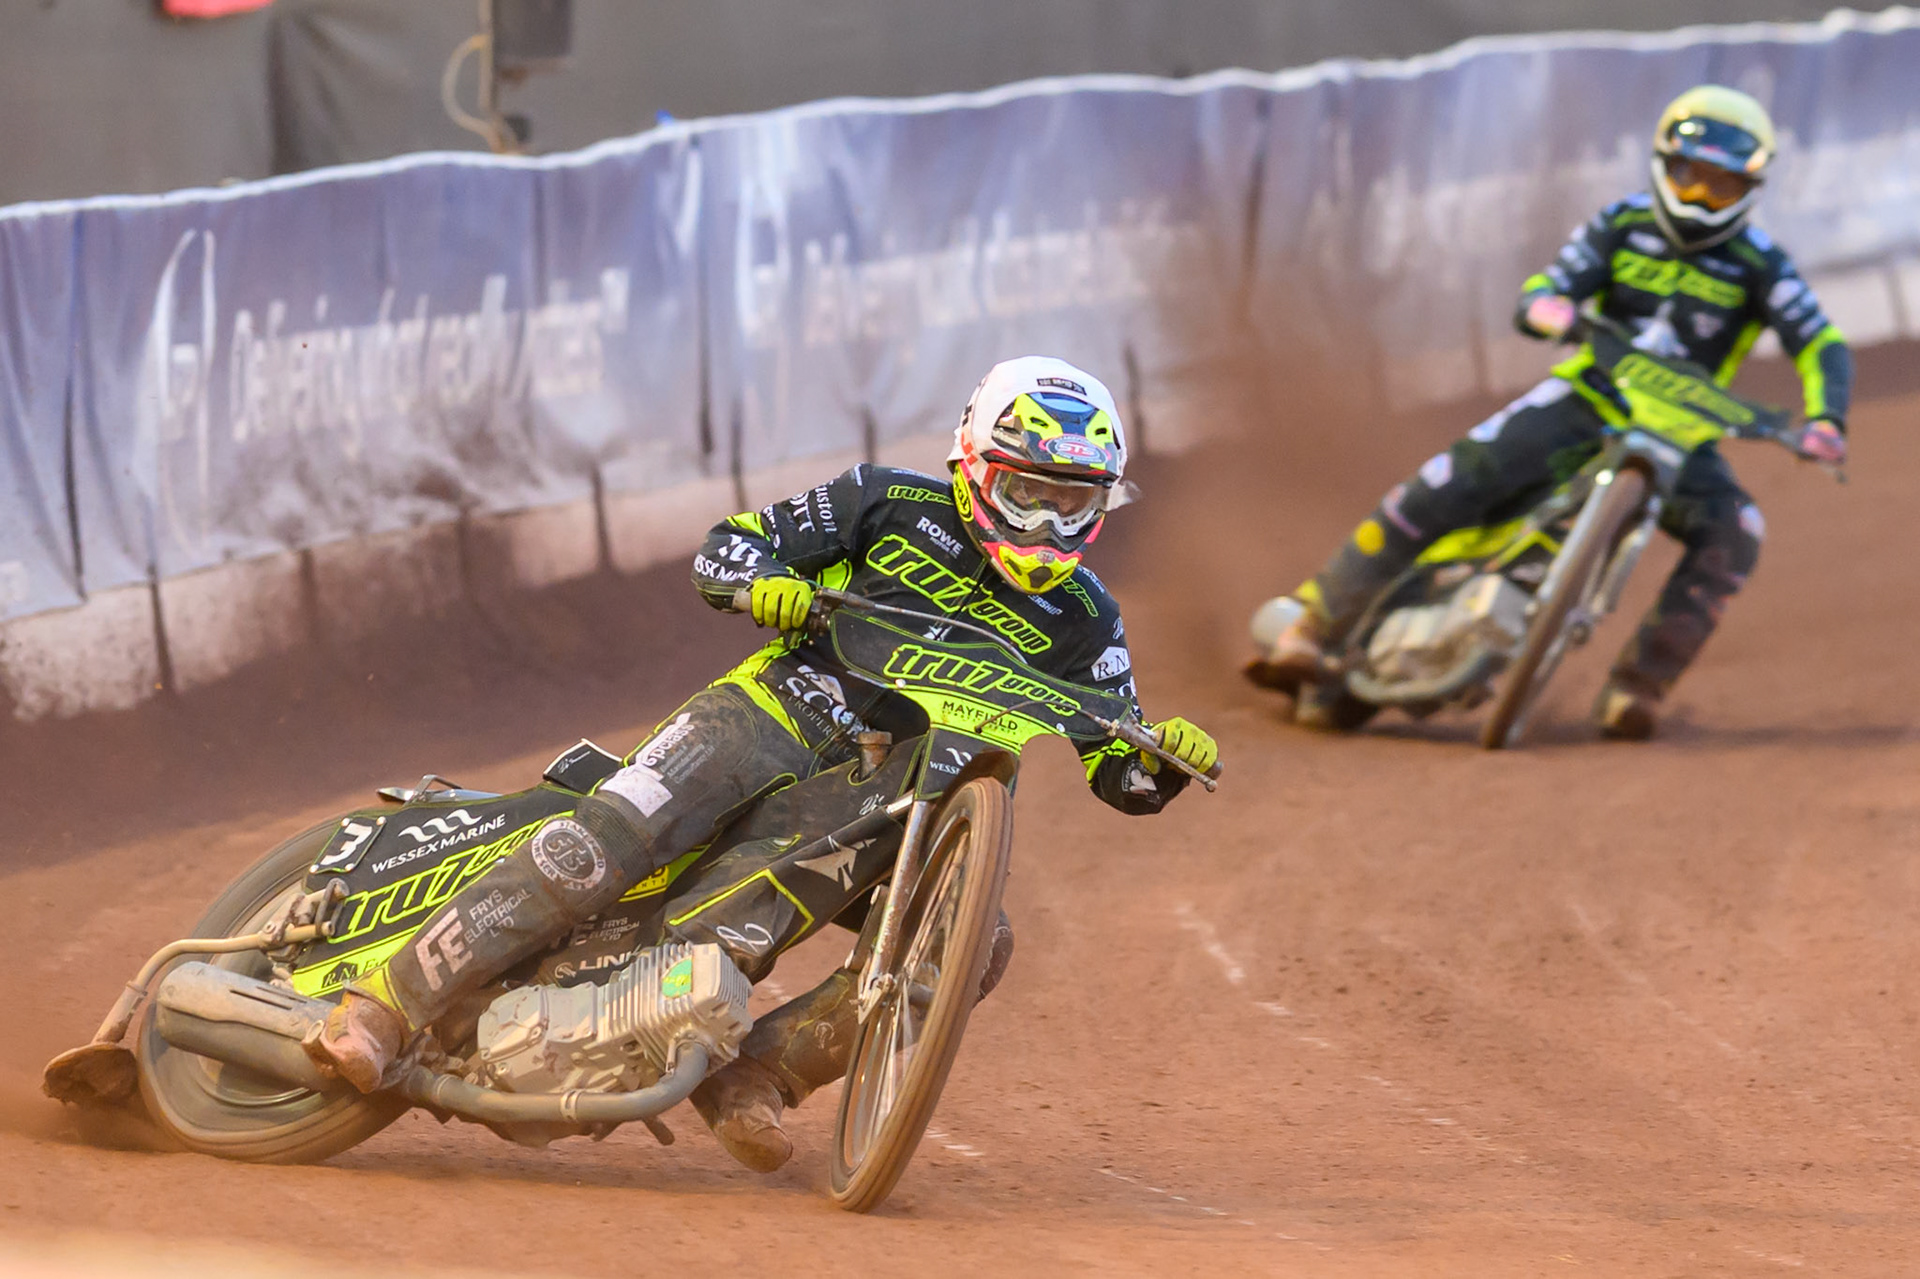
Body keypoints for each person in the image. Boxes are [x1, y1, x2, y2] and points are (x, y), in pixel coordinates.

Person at [303, 355, 1219, 1171]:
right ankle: (385, 1001)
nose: (1050, 521)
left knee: (975, 940)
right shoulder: (886, 502)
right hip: (763, 716)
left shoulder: (1088, 621)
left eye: (1074, 503)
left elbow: (1122, 768)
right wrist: (763, 584)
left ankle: (756, 1075)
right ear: (975, 469)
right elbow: (731, 545)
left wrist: (1166, 757)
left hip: (883, 801)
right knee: (599, 846)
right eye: (1029, 492)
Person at [1246, 85, 1854, 740]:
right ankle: (1314, 623)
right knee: (1443, 482)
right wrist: (1547, 306)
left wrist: (1827, 420)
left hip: (1681, 437)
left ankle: (1637, 688)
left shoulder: (1762, 265)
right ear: (1663, 165)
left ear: (1750, 190)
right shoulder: (1621, 223)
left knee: (1739, 530)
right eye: (1691, 177)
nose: (1703, 197)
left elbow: (1819, 342)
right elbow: (1551, 284)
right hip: (1585, 399)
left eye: (1722, 185)